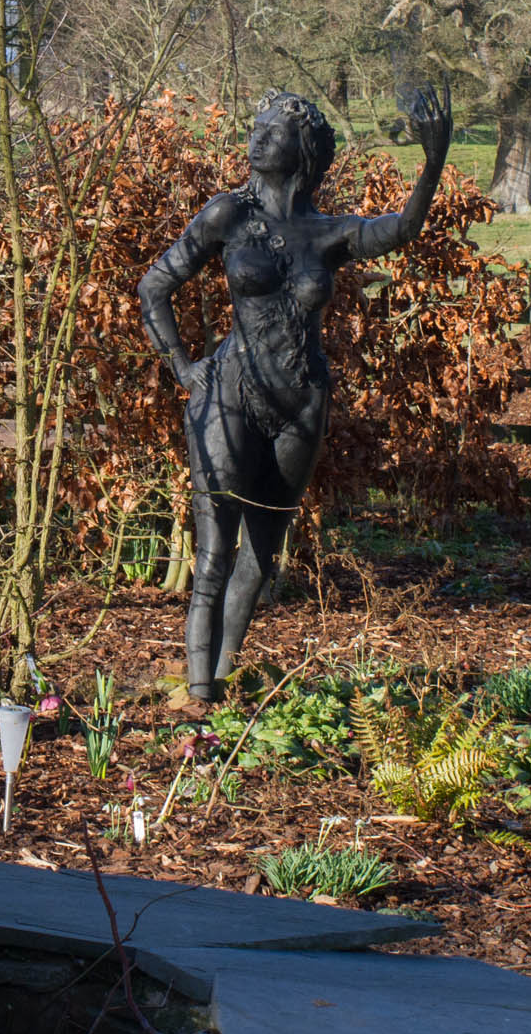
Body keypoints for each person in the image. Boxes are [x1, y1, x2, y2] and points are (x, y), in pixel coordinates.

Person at [137, 86, 454, 701]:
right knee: (213, 556)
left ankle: (224, 681)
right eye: (255, 128)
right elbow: (155, 286)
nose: (256, 139)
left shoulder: (327, 232)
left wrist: (433, 160)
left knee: (261, 555)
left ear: (304, 150)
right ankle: (198, 703)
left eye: (272, 131)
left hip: (302, 403)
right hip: (228, 394)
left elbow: (402, 230)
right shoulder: (227, 215)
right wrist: (182, 366)